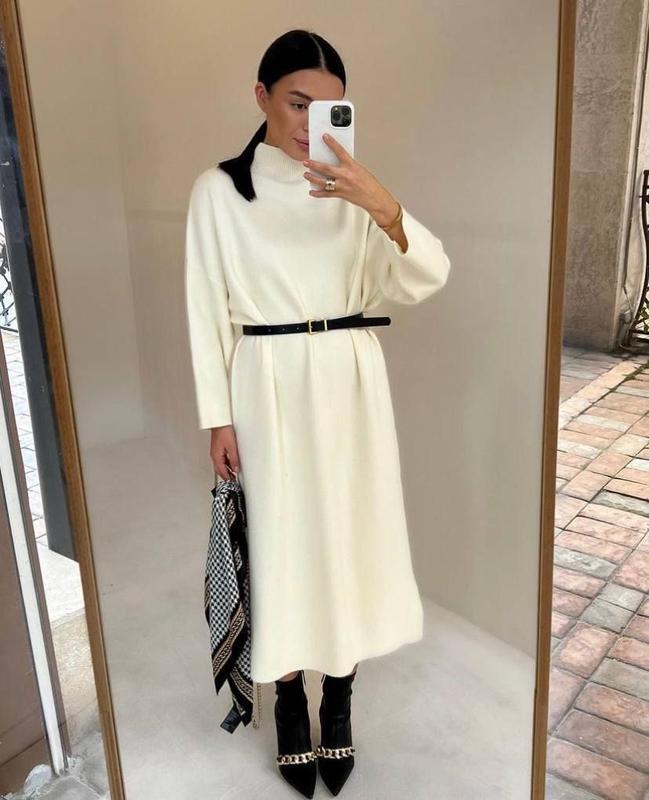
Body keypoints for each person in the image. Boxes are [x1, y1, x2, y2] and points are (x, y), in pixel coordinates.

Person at [184, 28, 451, 799]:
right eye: (298, 102)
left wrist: (382, 207)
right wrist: (217, 417)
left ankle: (338, 701)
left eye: (331, 108)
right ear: (261, 96)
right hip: (264, 383)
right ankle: (288, 704)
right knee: (279, 543)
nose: (311, 123)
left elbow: (424, 277)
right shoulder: (219, 191)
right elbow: (205, 309)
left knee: (346, 538)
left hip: (348, 381)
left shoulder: (352, 190)